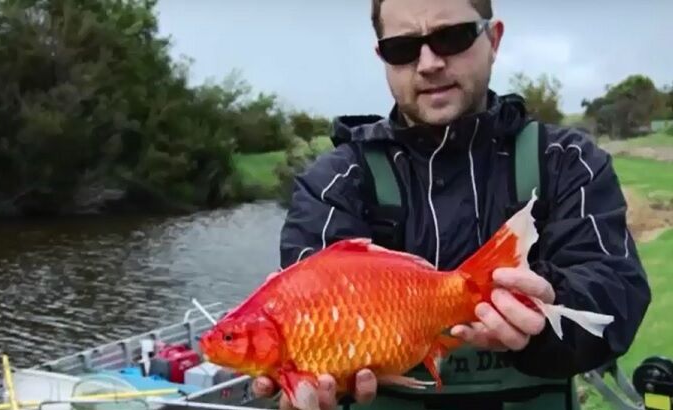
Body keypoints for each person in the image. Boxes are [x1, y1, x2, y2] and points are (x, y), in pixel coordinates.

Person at [252, 0, 652, 408]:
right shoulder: (334, 180)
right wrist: (309, 384)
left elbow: (616, 295)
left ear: (493, 39)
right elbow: (309, 307)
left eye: (451, 37)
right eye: (402, 48)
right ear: (382, 57)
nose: (428, 63)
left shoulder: (566, 160)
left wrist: (545, 312)